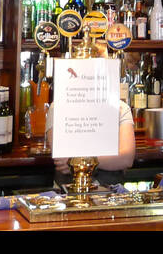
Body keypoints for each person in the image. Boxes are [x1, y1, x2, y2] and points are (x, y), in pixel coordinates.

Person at [47, 42, 136, 188]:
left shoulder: (121, 108)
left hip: (110, 196)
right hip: (68, 195)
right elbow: (62, 159)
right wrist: (106, 159)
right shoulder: (58, 107)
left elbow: (126, 158)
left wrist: (78, 159)